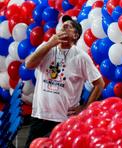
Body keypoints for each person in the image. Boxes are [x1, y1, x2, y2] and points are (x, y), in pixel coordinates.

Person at [24, 15, 105, 147]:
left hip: (64, 119)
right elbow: (29, 64)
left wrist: (85, 107)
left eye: (69, 26)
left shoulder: (81, 57)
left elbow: (99, 83)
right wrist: (50, 44)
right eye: (63, 25)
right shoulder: (46, 47)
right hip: (41, 115)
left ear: (75, 36)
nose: (64, 26)